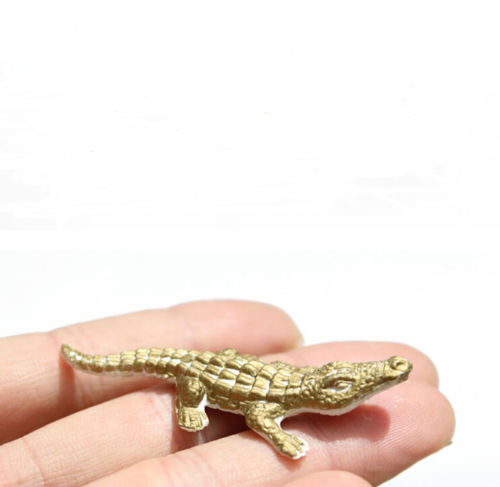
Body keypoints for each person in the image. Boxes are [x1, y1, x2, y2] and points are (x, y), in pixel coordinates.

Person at [0, 300, 454, 487]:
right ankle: (183, 399)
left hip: (234, 365)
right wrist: (278, 436)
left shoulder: (295, 384)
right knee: (188, 381)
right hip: (200, 374)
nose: (366, 383)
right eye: (347, 383)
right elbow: (257, 417)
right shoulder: (278, 401)